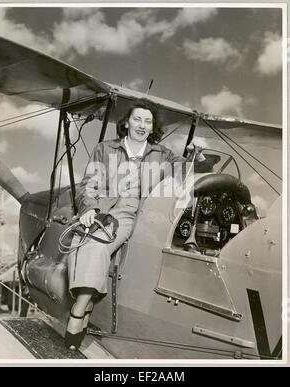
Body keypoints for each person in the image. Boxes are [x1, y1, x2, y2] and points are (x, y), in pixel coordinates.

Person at [65, 100, 205, 350]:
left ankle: (78, 310)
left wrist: (197, 155)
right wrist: (88, 209)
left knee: (97, 247)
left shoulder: (162, 154)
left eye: (148, 121)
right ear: (126, 122)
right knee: (79, 241)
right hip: (102, 207)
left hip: (131, 214)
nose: (142, 125)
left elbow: (185, 171)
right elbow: (88, 185)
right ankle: (87, 304)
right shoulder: (104, 148)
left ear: (153, 128)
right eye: (137, 119)